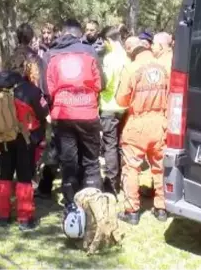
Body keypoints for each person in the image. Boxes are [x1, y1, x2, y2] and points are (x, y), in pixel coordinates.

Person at [40, 18, 105, 212]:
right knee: (91, 161)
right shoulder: (90, 51)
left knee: (68, 162)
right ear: (79, 34)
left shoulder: (50, 54)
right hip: (87, 113)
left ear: (62, 33)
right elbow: (101, 82)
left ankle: (71, 206)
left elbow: (46, 89)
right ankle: (93, 205)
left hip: (63, 114)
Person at [0, 69, 49, 231]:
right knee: (24, 177)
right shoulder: (30, 89)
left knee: (5, 174)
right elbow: (44, 112)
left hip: (1, 137)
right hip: (24, 137)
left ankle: (3, 215)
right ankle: (24, 218)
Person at [116, 36, 170, 225]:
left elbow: (121, 100)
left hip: (138, 123)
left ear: (132, 51)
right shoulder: (164, 68)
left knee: (131, 167)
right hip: (160, 122)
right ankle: (162, 208)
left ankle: (132, 211)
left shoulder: (131, 68)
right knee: (160, 166)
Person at [98, 24, 129, 195]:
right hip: (124, 107)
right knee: (119, 145)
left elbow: (105, 83)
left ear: (109, 40)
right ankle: (122, 179)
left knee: (110, 146)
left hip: (109, 106)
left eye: (104, 42)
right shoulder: (127, 57)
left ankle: (111, 184)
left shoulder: (110, 58)